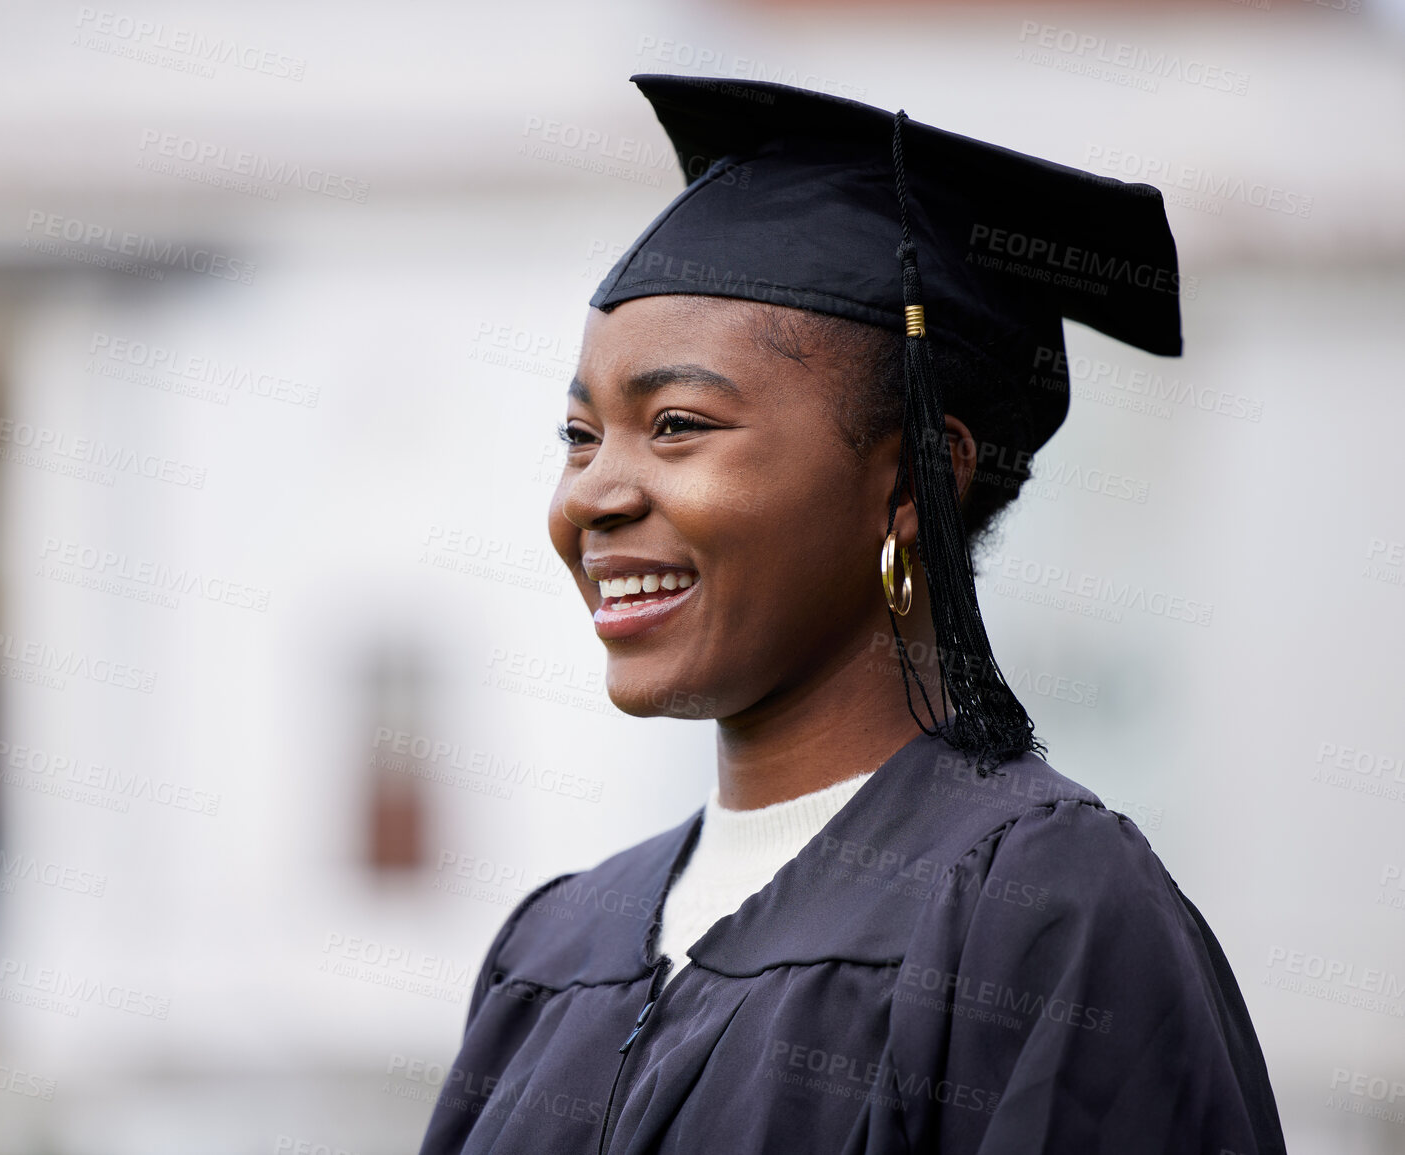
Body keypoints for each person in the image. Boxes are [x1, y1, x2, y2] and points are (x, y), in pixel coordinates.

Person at [418, 75, 1285, 1155]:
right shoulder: (553, 947)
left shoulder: (1036, 907)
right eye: (581, 436)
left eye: (677, 424)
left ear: (916, 480)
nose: (595, 494)